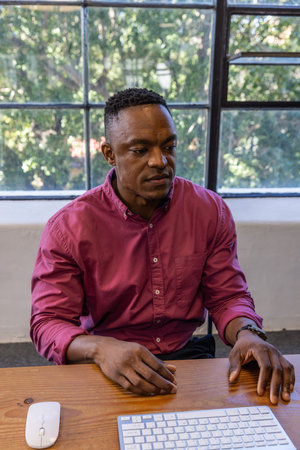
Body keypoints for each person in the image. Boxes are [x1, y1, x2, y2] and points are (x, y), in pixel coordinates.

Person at [31, 88, 295, 403]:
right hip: (106, 361)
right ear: (110, 154)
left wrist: (248, 333)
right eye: (140, 150)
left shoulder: (208, 210)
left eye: (168, 146)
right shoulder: (68, 227)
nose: (160, 161)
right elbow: (48, 322)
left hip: (187, 356)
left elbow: (227, 296)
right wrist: (102, 349)